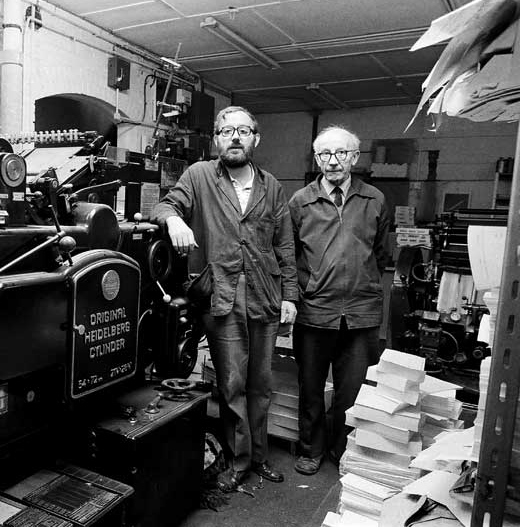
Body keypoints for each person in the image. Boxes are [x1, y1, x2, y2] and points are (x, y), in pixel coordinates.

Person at [151, 106, 298, 490]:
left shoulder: (272, 186)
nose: (235, 137)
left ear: (256, 138)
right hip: (222, 295)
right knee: (231, 384)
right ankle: (239, 460)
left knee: (261, 384)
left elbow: (284, 245)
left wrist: (290, 297)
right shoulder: (199, 176)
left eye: (243, 131)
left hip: (264, 296)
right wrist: (175, 219)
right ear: (216, 138)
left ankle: (260, 456)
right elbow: (164, 204)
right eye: (227, 130)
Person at [288, 125, 389, 476]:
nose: (332, 161)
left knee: (352, 393)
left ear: (355, 157)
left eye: (341, 153)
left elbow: (380, 253)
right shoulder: (300, 202)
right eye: (324, 154)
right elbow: (291, 257)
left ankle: (342, 450)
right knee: (311, 389)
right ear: (316, 158)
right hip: (315, 311)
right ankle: (310, 449)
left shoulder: (374, 199)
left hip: (361, 313)